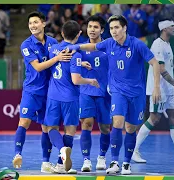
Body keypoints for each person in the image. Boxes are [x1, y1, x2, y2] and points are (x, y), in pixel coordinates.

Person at [67, 15, 161, 175]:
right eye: (111, 28)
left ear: (124, 28)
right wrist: (76, 48)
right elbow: (92, 47)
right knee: (117, 122)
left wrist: (156, 87)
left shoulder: (137, 44)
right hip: (117, 91)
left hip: (136, 92)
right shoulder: (109, 43)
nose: (114, 31)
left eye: (116, 27)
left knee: (130, 127)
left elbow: (154, 63)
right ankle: (115, 161)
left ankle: (126, 163)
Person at [131, 19, 174, 164]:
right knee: (154, 119)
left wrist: (173, 87)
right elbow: (161, 70)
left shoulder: (168, 44)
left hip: (169, 89)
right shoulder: (157, 44)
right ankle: (133, 150)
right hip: (159, 88)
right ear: (164, 29)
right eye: (172, 26)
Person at [12, 11, 72, 173]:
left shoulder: (53, 42)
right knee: (24, 122)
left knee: (47, 127)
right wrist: (57, 58)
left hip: (50, 92)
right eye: (30, 23)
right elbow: (38, 67)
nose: (32, 26)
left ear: (43, 24)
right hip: (32, 91)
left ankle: (47, 162)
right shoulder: (26, 45)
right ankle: (17, 154)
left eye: (36, 22)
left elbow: (66, 57)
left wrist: (82, 65)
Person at [44, 20, 100, 173]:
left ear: (62, 33)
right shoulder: (76, 53)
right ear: (79, 34)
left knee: (51, 128)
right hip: (70, 98)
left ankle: (61, 152)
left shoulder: (54, 49)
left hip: (54, 96)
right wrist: (90, 80)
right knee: (70, 131)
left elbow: (59, 64)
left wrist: (80, 64)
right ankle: (62, 163)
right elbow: (76, 79)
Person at [78, 15, 111, 172]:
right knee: (87, 124)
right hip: (86, 92)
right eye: (90, 26)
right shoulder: (81, 48)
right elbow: (70, 64)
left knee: (105, 127)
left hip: (105, 93)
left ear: (102, 30)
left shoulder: (109, 48)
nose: (91, 30)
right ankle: (86, 160)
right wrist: (79, 63)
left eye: (95, 27)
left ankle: (102, 157)